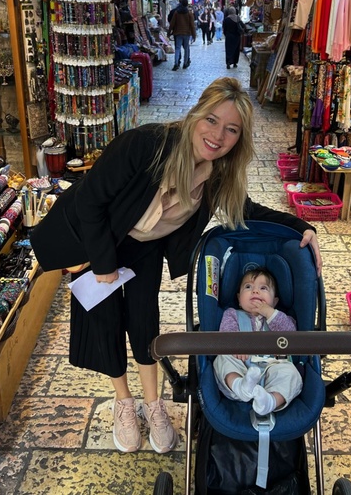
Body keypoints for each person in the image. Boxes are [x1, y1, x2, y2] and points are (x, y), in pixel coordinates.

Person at [29, 77, 321, 457]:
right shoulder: (144, 145)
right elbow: (89, 201)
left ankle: (153, 403)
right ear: (196, 114)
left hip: (145, 245)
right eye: (212, 120)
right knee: (104, 321)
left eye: (231, 129)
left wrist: (301, 226)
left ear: (239, 138)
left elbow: (246, 210)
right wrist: (102, 263)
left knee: (144, 319)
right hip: (98, 240)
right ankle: (124, 402)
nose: (218, 135)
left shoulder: (218, 172)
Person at [213, 268, 303, 415]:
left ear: (275, 301)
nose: (255, 291)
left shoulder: (280, 318)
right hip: (241, 364)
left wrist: (269, 312)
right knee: (222, 359)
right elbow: (226, 335)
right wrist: (236, 345)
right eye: (248, 287)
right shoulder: (232, 315)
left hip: (273, 366)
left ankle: (270, 401)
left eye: (263, 288)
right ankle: (239, 386)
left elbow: (291, 336)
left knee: (291, 374)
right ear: (239, 298)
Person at [168, 0, 196, 70]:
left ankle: (176, 63)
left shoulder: (176, 13)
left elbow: (172, 23)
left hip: (178, 33)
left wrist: (169, 33)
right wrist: (194, 35)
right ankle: (185, 63)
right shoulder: (189, 13)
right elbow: (192, 25)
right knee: (186, 48)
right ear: (186, 5)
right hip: (186, 33)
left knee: (177, 48)